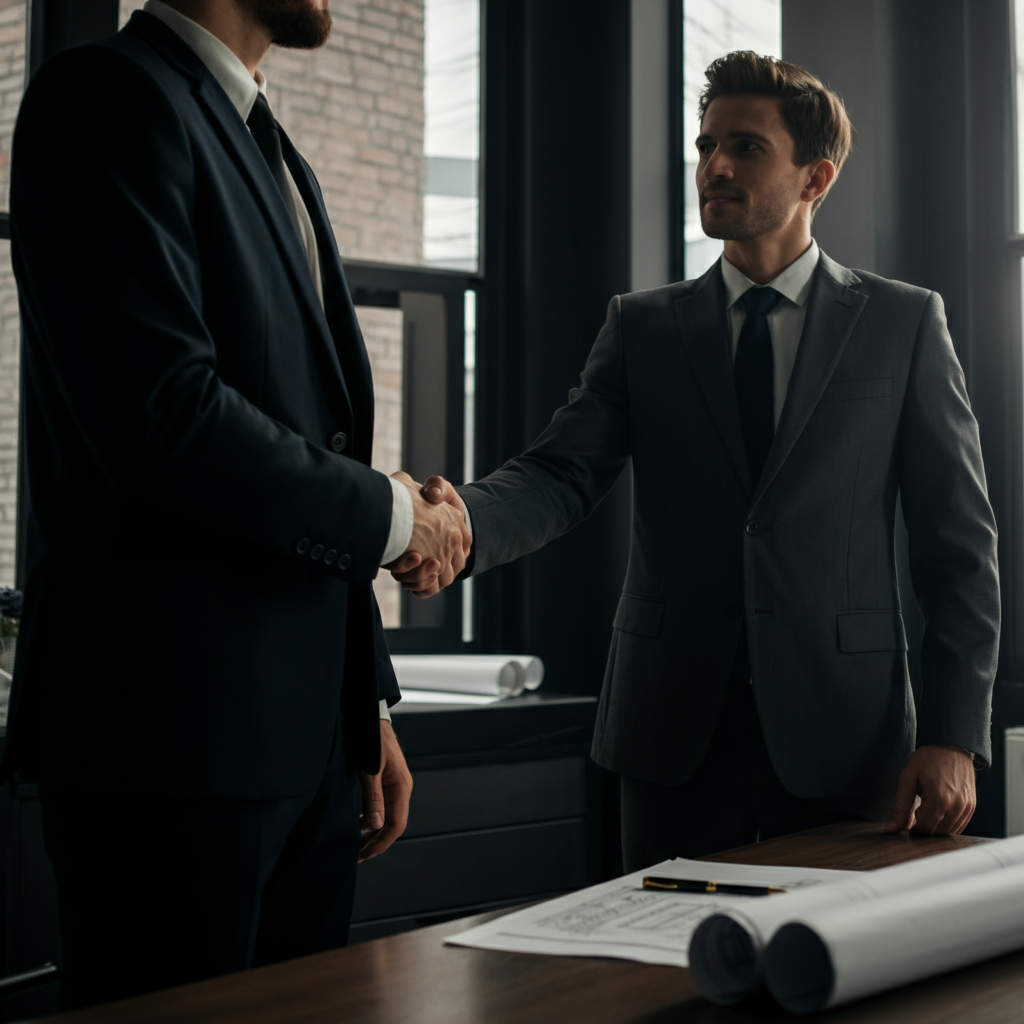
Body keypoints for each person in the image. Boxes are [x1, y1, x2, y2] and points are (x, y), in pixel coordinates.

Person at [393, 52, 1001, 870]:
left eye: (746, 147)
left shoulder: (901, 324)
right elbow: (560, 474)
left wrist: (956, 736)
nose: (714, 165)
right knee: (656, 979)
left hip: (843, 735)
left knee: (828, 985)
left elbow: (958, 549)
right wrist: (462, 520)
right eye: (706, 145)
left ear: (815, 177)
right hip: (669, 731)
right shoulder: (643, 328)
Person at [2, 0, 470, 1009]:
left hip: (306, 752)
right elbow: (163, 417)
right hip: (166, 748)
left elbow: (314, 446)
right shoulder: (104, 99)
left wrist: (361, 702)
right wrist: (397, 518)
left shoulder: (269, 142)